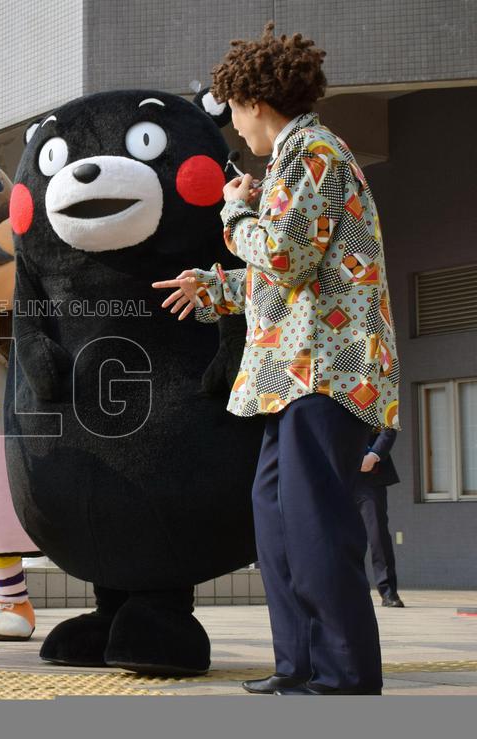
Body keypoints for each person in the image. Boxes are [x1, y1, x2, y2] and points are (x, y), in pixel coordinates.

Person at [153, 23, 399, 696]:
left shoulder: (312, 154)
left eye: (234, 111)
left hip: (326, 370)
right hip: (293, 373)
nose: (235, 127)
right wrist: (212, 286)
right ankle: (299, 665)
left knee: (315, 525)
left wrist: (234, 215)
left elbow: (285, 259)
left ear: (254, 102)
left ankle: (343, 674)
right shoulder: (300, 157)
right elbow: (287, 275)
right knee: (278, 522)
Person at [357, 429, 404, 608]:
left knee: (377, 535)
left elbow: (389, 426)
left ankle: (388, 591)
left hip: (370, 476)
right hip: (336, 475)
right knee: (337, 537)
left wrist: (374, 455)